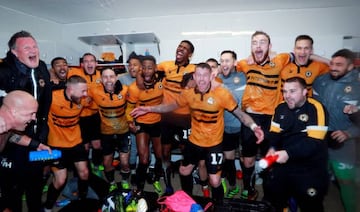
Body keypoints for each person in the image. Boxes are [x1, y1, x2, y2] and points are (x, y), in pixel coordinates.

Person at [131, 62, 264, 204]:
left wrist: (254, 127)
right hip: (194, 142)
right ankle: (188, 200)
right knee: (184, 171)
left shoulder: (222, 94)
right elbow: (169, 106)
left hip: (214, 144)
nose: (201, 79)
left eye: (205, 76)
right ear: (194, 76)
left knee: (214, 180)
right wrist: (148, 109)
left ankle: (217, 205)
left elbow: (240, 114)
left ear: (211, 76)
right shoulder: (188, 94)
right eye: (198, 75)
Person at [235, 31, 293, 200]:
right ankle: (248, 189)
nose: (258, 46)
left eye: (262, 42)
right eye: (254, 43)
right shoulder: (245, 63)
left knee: (270, 159)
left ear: (270, 46)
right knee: (247, 161)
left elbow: (300, 54)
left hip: (271, 119)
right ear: (251, 46)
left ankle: (270, 194)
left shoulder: (280, 59)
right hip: (249, 118)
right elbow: (225, 66)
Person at [0, 30, 52, 212]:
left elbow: (46, 102)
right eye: (27, 47)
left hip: (34, 137)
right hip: (11, 142)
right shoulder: (3, 72)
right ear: (14, 52)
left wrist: (40, 137)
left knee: (35, 183)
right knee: (12, 189)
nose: (33, 50)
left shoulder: (42, 68)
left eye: (35, 46)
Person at [137, 40, 196, 194]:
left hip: (184, 118)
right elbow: (145, 72)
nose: (180, 49)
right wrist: (139, 75)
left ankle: (186, 187)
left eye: (185, 48)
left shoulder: (193, 69)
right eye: (179, 46)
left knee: (186, 152)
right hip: (166, 117)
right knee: (165, 153)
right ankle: (168, 183)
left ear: (190, 54)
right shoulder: (166, 65)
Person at [264, 77, 329, 212]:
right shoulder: (280, 107)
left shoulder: (315, 108)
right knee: (273, 198)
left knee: (311, 205)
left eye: (292, 91)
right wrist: (271, 148)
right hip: (284, 164)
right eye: (285, 91)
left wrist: (288, 153)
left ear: (305, 91)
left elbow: (314, 142)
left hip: (310, 167)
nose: (287, 95)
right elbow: (274, 135)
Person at [43, 75, 108, 211]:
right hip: (56, 145)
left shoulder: (83, 100)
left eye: (86, 91)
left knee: (84, 173)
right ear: (70, 89)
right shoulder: (52, 98)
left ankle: (82, 200)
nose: (85, 94)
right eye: (83, 91)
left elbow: (96, 107)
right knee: (60, 180)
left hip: (76, 143)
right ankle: (48, 207)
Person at [313, 49, 360, 212]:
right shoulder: (320, 81)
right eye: (332, 63)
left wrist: (349, 133)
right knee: (318, 180)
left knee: (346, 182)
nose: (333, 67)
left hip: (344, 143)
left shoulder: (358, 86)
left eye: (339, 65)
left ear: (350, 67)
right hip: (320, 140)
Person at [126, 55, 164, 195]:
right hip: (141, 123)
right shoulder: (134, 88)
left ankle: (156, 177)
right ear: (141, 69)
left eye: (150, 68)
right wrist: (130, 122)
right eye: (144, 68)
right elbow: (129, 108)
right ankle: (139, 186)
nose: (147, 71)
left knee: (159, 155)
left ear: (155, 68)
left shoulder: (161, 83)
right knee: (144, 158)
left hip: (157, 123)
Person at [88, 68, 131, 192]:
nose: (108, 80)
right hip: (106, 133)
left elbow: (132, 106)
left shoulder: (125, 90)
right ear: (101, 79)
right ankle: (111, 182)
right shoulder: (94, 91)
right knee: (107, 163)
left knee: (124, 162)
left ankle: (124, 181)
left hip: (123, 131)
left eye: (111, 76)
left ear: (116, 77)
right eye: (105, 77)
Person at [68, 53, 103, 176]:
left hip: (95, 115)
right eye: (86, 61)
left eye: (92, 61)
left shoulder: (101, 75)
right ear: (82, 64)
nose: (89, 64)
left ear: (96, 63)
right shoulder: (74, 73)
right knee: (85, 146)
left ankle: (97, 165)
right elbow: (57, 71)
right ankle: (85, 169)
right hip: (80, 117)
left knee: (97, 145)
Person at [218, 50, 246, 198]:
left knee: (245, 160)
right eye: (222, 61)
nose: (224, 64)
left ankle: (248, 188)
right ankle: (233, 186)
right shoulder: (217, 79)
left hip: (243, 126)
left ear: (235, 62)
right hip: (226, 127)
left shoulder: (244, 76)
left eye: (227, 60)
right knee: (228, 160)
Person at [119, 52, 142, 187]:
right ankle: (131, 172)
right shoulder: (121, 79)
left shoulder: (146, 79)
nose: (132, 67)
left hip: (143, 119)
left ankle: (140, 172)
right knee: (130, 148)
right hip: (127, 119)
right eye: (129, 65)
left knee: (142, 148)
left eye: (135, 65)